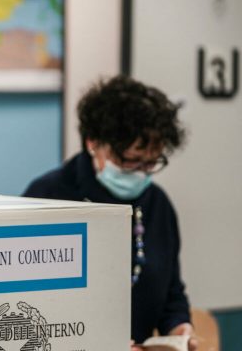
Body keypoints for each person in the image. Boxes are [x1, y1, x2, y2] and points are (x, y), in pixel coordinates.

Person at [23, 76, 197, 351]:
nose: (140, 172)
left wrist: (179, 328)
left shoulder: (157, 205)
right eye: (129, 161)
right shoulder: (46, 197)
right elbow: (26, 305)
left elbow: (171, 292)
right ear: (93, 142)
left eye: (151, 162)